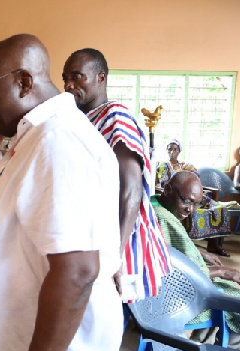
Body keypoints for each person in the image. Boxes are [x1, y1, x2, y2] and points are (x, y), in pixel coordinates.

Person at [0, 34, 122, 351]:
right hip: (37, 341)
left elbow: (77, 270)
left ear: (24, 81)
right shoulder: (35, 135)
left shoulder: (58, 141)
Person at [63, 48, 170, 301]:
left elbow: (131, 188)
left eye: (78, 77)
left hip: (119, 239)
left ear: (101, 78)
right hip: (93, 235)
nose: (68, 85)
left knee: (111, 307)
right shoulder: (81, 119)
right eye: (65, 77)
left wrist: (117, 253)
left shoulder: (115, 117)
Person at [152, 171, 240, 349]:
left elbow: (168, 247)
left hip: (166, 287)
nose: (190, 210)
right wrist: (222, 271)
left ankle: (198, 346)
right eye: (186, 201)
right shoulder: (163, 218)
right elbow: (178, 274)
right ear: (167, 190)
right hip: (170, 296)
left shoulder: (154, 203)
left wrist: (200, 253)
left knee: (227, 295)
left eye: (196, 204)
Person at [157, 138, 232, 257]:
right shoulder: (163, 166)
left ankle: (214, 245)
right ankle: (188, 245)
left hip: (191, 196)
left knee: (218, 209)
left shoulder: (187, 166)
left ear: (179, 151)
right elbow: (163, 184)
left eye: (175, 149)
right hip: (177, 197)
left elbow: (194, 183)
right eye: (169, 149)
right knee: (190, 209)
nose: (172, 152)